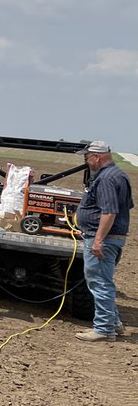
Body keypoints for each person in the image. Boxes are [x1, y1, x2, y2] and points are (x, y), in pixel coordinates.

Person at [74, 141, 132, 342]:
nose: (86, 161)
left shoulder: (106, 178)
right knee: (102, 281)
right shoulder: (118, 175)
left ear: (96, 157)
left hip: (103, 240)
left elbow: (109, 211)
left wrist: (98, 240)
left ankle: (104, 328)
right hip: (113, 238)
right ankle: (114, 323)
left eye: (86, 157)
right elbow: (125, 206)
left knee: (99, 283)